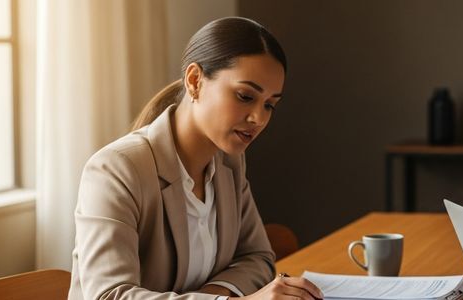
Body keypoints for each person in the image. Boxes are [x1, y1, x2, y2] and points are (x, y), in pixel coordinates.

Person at [69, 17, 323, 300]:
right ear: (195, 81)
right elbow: (108, 296)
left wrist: (215, 295)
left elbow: (258, 257)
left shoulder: (228, 163)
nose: (258, 118)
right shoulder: (116, 169)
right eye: (244, 96)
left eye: (269, 105)